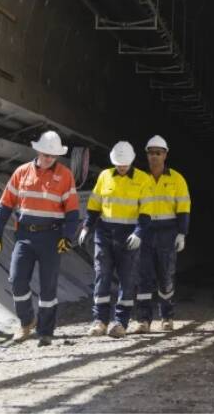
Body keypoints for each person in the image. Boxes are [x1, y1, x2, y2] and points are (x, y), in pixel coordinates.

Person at [0, 130, 80, 346]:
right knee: (17, 280)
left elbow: (73, 211)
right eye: (45, 154)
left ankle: (46, 331)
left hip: (51, 237)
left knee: (48, 287)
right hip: (25, 236)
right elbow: (5, 205)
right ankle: (26, 321)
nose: (48, 158)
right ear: (38, 150)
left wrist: (67, 236)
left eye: (53, 155)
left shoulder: (65, 175)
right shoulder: (22, 173)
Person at [80, 141, 154, 337]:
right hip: (104, 233)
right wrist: (87, 226)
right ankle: (100, 321)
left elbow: (147, 212)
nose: (121, 167)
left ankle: (120, 322)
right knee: (101, 276)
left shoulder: (142, 179)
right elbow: (95, 205)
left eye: (125, 164)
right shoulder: (105, 176)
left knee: (127, 279)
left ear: (131, 162)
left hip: (128, 235)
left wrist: (139, 232)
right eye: (118, 164)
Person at [132, 135, 191, 333]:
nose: (154, 156)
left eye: (158, 153)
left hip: (168, 231)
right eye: (151, 153)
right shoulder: (139, 178)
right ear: (147, 155)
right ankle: (143, 320)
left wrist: (182, 233)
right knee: (143, 276)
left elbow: (183, 208)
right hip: (146, 231)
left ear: (165, 155)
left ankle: (167, 316)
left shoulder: (177, 179)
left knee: (166, 275)